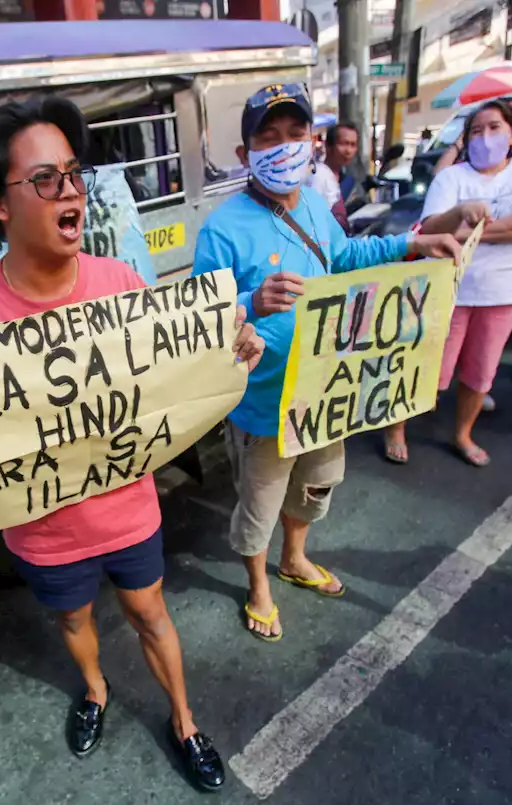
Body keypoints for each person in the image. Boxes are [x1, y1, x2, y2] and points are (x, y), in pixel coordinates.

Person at [0, 96, 265, 791]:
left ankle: (184, 719)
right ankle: (94, 688)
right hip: (44, 533)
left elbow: (173, 375)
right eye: (46, 179)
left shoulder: (120, 284)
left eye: (74, 174)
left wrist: (230, 350)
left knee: (151, 612)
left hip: (128, 513)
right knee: (73, 617)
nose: (71, 192)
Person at [190, 82, 460, 641]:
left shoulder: (315, 204)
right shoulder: (221, 228)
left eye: (296, 134)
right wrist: (248, 303)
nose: (286, 146)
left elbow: (345, 257)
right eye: (269, 137)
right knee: (258, 503)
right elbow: (197, 318)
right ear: (245, 155)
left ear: (313, 142)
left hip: (326, 391)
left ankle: (295, 557)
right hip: (262, 403)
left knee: (315, 486)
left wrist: (412, 244)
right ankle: (259, 584)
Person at [381, 99, 512, 467]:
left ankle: (462, 433)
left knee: (481, 371)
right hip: (446, 289)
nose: (485, 137)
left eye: (494, 127)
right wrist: (463, 215)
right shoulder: (451, 178)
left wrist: (473, 232)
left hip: (502, 290)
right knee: (427, 368)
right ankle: (396, 428)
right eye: (476, 130)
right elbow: (429, 229)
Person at [433, 99, 512, 176]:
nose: (486, 135)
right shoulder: (471, 164)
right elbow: (440, 176)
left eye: (495, 127)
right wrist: (464, 138)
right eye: (478, 130)